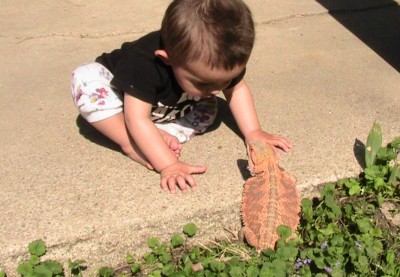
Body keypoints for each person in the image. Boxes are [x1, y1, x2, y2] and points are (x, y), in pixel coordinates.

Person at [70, 0, 292, 193]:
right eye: (204, 82)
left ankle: (156, 134)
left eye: (224, 80)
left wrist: (253, 132)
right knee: (86, 80)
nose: (217, 88)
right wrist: (168, 164)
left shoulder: (217, 62)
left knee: (211, 109)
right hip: (122, 103)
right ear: (167, 59)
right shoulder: (143, 63)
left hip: (166, 107)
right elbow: (136, 117)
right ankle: (130, 143)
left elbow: (238, 89)